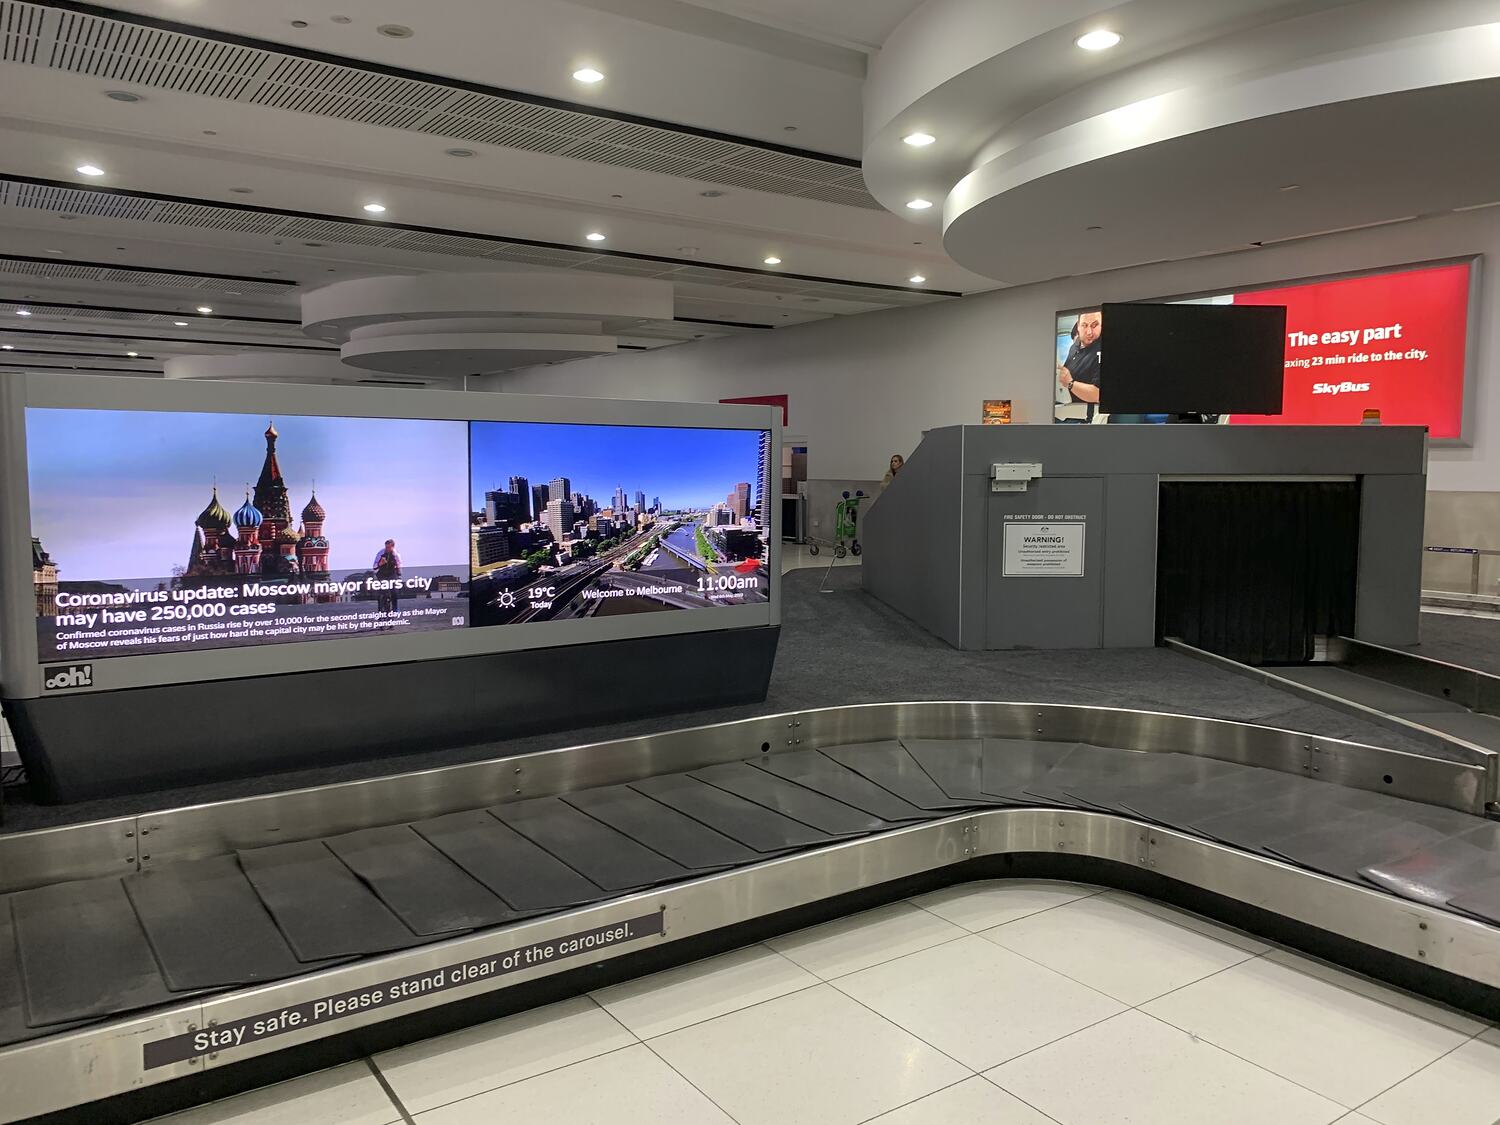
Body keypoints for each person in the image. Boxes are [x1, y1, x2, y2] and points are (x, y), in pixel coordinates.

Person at [1057, 309, 1103, 421]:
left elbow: (1098, 394)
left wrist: (1070, 383)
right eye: (1084, 325)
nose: (1089, 332)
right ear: (1078, 326)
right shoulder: (1074, 347)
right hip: (1067, 411)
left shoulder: (1101, 350)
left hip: (1086, 418)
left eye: (1095, 325)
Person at [372, 538, 402, 614]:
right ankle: (380, 609)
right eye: (386, 547)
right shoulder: (380, 553)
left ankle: (395, 608)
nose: (387, 549)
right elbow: (374, 566)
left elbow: (399, 565)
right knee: (380, 593)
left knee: (394, 592)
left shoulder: (396, 554)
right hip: (382, 573)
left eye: (389, 547)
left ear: (393, 547)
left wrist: (398, 575)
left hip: (392, 573)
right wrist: (380, 564)